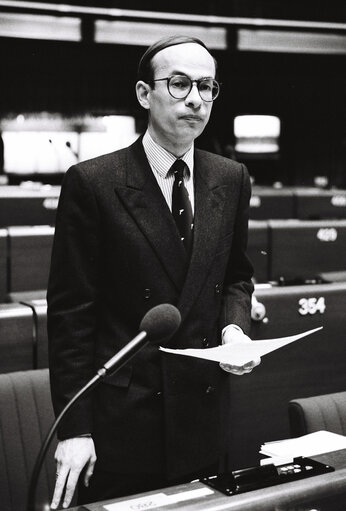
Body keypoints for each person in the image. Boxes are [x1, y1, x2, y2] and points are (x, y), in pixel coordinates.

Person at [47, 35, 260, 509]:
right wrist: (75, 428)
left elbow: (236, 276)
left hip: (204, 414)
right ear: (145, 94)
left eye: (207, 87)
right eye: (180, 84)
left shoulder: (231, 177)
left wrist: (234, 328)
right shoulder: (93, 183)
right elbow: (71, 317)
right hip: (123, 422)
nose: (195, 99)